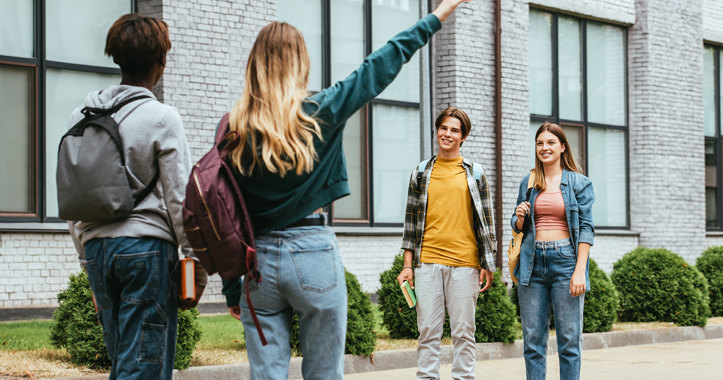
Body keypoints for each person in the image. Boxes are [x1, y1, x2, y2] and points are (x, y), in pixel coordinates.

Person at [219, 1, 473, 378]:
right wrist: (439, 14)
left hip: (259, 264)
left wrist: (229, 287)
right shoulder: (321, 110)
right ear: (300, 64)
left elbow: (226, 214)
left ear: (254, 65)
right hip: (312, 252)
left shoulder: (233, 127)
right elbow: (381, 63)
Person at [66, 14, 202, 380]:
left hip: (97, 252)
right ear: (161, 62)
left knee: (126, 363)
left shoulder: (82, 115)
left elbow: (74, 195)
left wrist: (86, 258)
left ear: (117, 57)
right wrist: (194, 263)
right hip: (146, 253)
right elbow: (180, 201)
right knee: (143, 369)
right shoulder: (162, 117)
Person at [396, 106, 497, 380]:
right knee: (428, 331)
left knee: (464, 332)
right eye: (444, 128)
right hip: (427, 263)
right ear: (437, 130)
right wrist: (407, 266)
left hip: (466, 264)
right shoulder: (420, 173)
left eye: (454, 130)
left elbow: (487, 223)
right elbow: (410, 225)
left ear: (463, 136)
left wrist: (487, 264)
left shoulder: (475, 174)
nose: (447, 134)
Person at [510, 122, 595, 380]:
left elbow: (587, 229)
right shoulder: (529, 181)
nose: (544, 148)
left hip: (566, 262)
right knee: (533, 341)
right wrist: (520, 216)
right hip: (532, 261)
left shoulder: (579, 183)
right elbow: (517, 225)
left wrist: (579, 271)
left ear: (562, 147)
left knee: (569, 341)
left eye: (550, 143)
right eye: (539, 143)